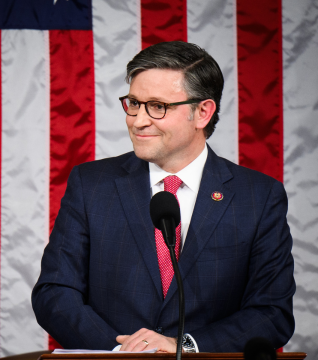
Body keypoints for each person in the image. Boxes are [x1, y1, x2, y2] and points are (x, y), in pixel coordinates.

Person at [31, 41, 295, 353]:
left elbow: (271, 313)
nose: (138, 120)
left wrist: (183, 346)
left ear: (202, 112)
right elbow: (55, 292)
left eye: (158, 106)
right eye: (133, 103)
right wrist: (121, 352)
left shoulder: (258, 197)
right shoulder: (91, 184)